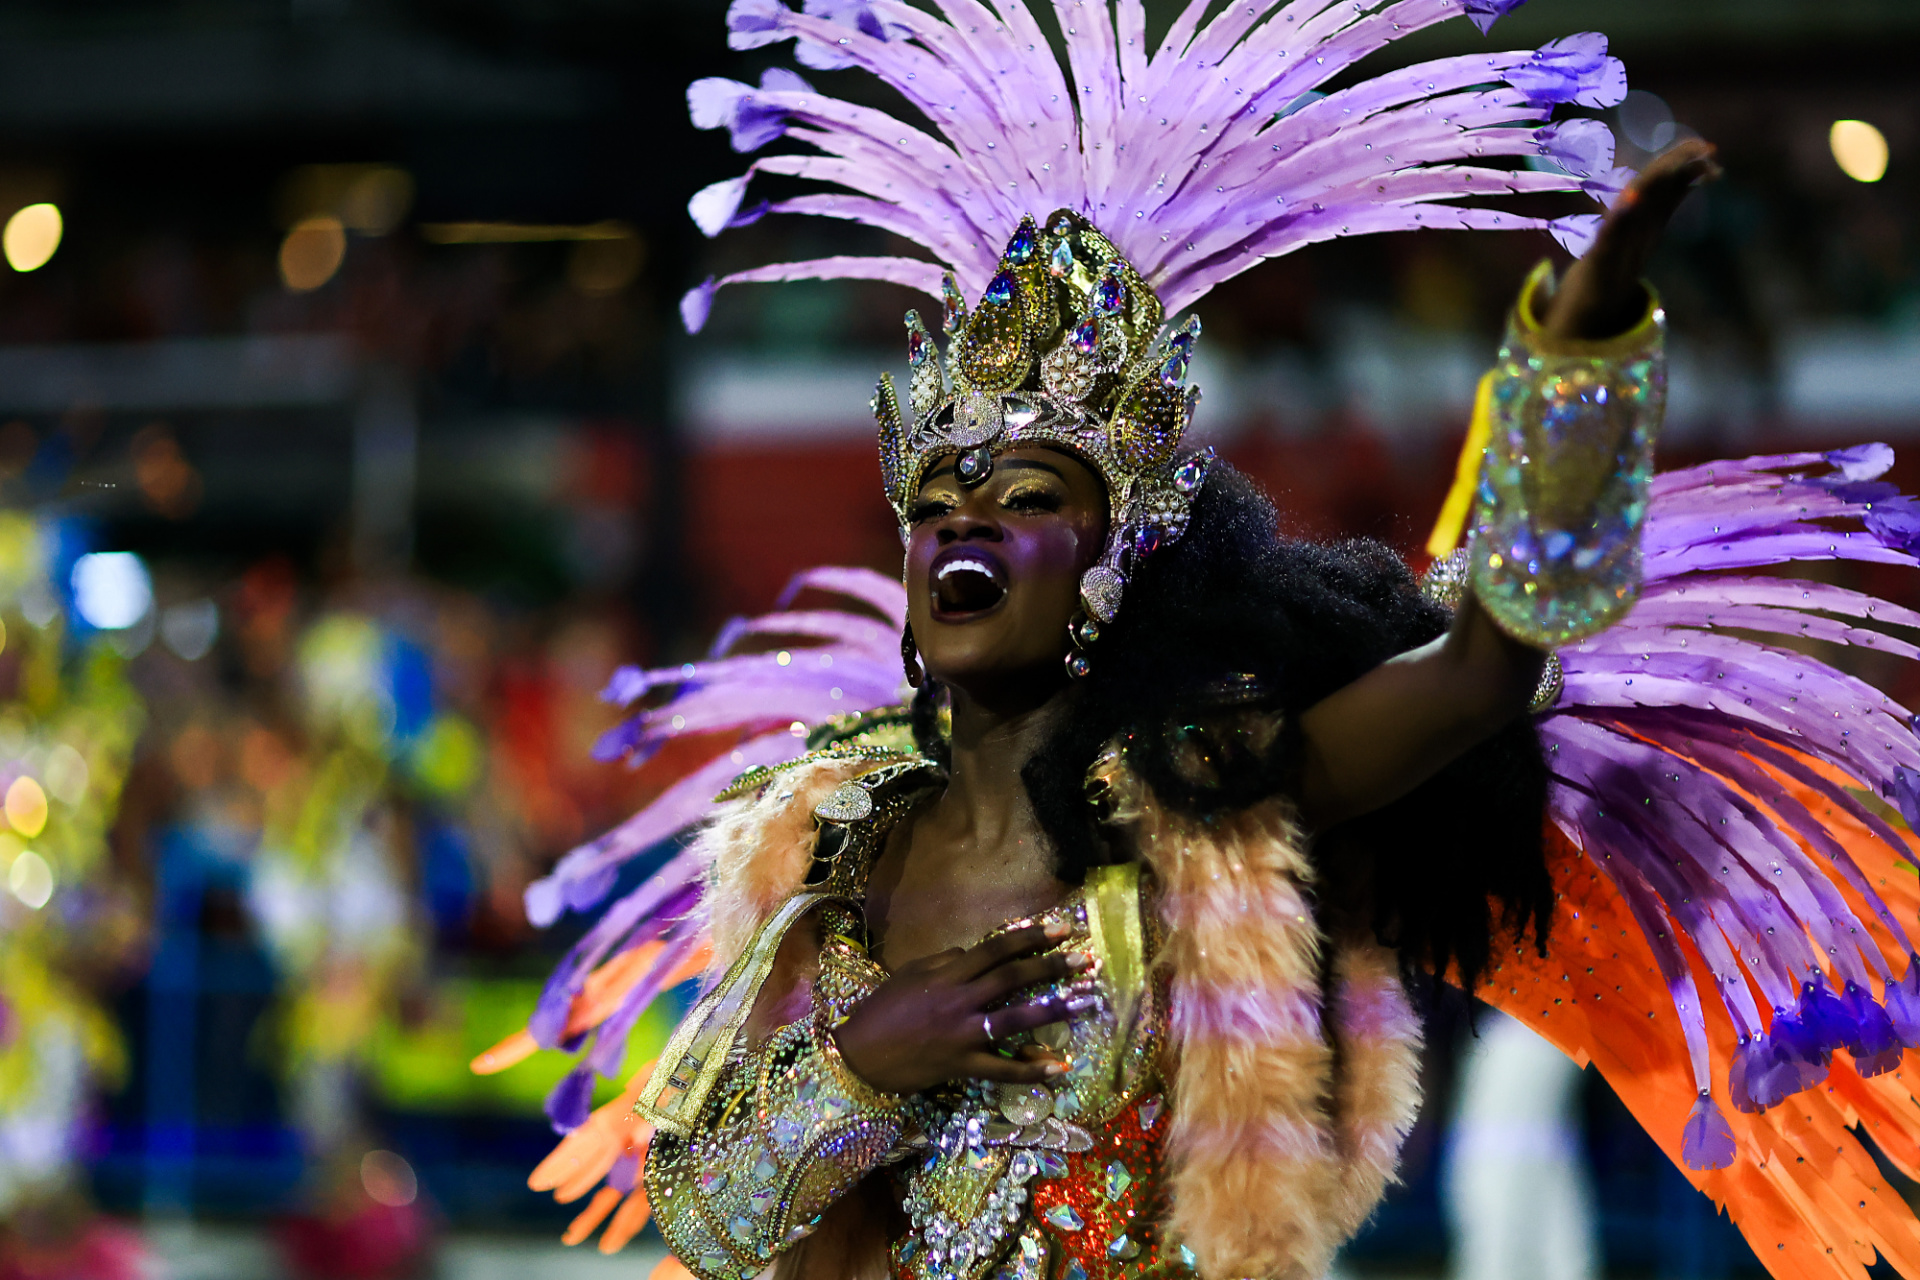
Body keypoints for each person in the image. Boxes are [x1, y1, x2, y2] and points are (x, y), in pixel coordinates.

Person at [487, 1, 1920, 1276]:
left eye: (1027, 496)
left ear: (1117, 555)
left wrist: (1580, 354)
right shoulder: (833, 824)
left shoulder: (1204, 792)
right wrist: (862, 1063)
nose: (965, 526)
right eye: (938, 500)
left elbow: (1489, 667)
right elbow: (701, 1211)